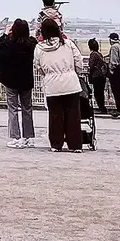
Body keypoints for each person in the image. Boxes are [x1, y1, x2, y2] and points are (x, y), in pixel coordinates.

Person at [33, 23, 86, 151]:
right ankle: (75, 145)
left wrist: (47, 75)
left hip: (52, 85)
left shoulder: (39, 47)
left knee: (55, 116)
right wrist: (74, 73)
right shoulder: (68, 44)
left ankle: (56, 144)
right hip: (71, 84)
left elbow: (38, 66)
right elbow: (79, 61)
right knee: (73, 116)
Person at [0, 18, 35, 146]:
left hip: (10, 80)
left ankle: (16, 138)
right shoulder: (31, 43)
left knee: (13, 108)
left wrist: (5, 33)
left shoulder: (8, 43)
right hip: (26, 79)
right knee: (27, 108)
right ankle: (28, 137)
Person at [106, 33, 120, 114]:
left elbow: (113, 61)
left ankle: (119, 109)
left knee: (116, 91)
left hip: (117, 71)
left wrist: (110, 70)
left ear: (111, 39)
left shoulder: (114, 47)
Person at [86, 38, 108, 115]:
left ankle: (101, 108)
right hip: (102, 76)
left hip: (96, 76)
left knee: (97, 93)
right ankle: (102, 107)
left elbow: (91, 66)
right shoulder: (99, 54)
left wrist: (90, 74)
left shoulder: (93, 55)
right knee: (100, 92)